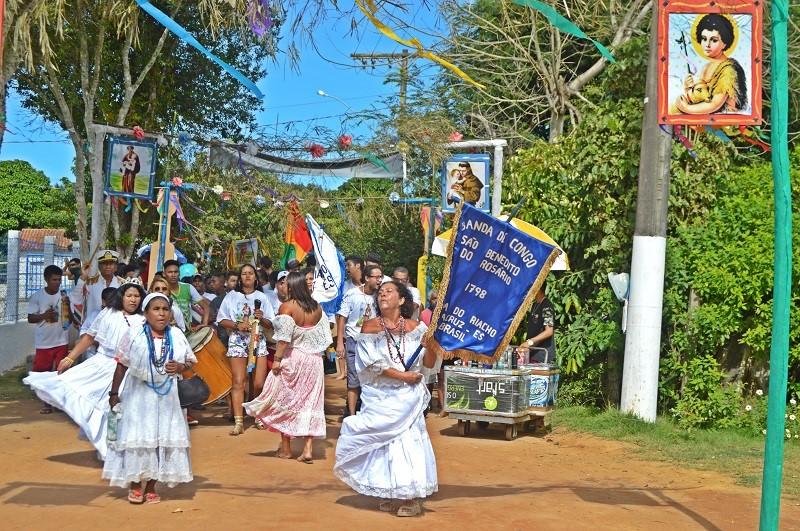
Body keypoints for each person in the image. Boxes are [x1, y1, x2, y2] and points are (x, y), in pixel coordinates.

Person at [333, 280, 438, 517]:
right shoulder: (369, 326)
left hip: (408, 398)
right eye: (380, 292)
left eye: (389, 292)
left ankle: (409, 497)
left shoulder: (417, 327)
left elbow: (429, 364)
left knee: (407, 443)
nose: (383, 295)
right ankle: (392, 492)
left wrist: (430, 345)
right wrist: (403, 375)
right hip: (380, 396)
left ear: (402, 300)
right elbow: (371, 364)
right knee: (384, 445)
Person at [24, 280, 146, 459]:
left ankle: (117, 446)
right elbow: (89, 337)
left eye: (137, 296)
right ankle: (108, 449)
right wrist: (70, 358)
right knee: (101, 406)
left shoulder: (144, 319)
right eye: (129, 296)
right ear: (122, 297)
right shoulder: (108, 313)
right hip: (102, 365)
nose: (133, 300)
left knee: (120, 409)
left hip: (128, 371)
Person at [102, 292, 195, 504]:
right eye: (156, 309)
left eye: (165, 309)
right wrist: (114, 394)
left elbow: (190, 364)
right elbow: (121, 364)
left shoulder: (177, 336)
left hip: (167, 398)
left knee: (160, 438)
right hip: (138, 397)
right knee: (138, 438)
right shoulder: (134, 334)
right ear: (145, 313)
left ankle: (152, 484)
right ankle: (135, 484)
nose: (161, 314)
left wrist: (180, 367)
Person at [244, 271, 332, 463]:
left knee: (285, 400)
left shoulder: (287, 307)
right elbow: (325, 334)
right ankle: (308, 448)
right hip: (315, 361)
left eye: (285, 284)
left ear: (292, 286)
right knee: (311, 403)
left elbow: (283, 340)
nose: (282, 287)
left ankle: (286, 448)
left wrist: (277, 360)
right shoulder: (316, 307)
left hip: (294, 358)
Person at [216, 264, 275, 435]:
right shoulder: (231, 297)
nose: (247, 276)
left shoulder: (262, 297)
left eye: (251, 273)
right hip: (238, 341)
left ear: (256, 278)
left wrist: (261, 318)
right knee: (238, 381)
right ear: (240, 278)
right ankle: (239, 421)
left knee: (259, 383)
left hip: (258, 340)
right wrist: (237, 325)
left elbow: (270, 323)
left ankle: (258, 415)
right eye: (244, 273)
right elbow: (221, 320)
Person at [673, 13, 747, 115]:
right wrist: (688, 87)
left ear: (725, 43)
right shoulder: (706, 67)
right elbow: (700, 96)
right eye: (704, 39)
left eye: (714, 40)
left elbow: (714, 104)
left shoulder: (729, 70)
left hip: (724, 121)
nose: (707, 44)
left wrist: (686, 108)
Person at [336, 265, 382, 413]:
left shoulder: (380, 296)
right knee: (353, 380)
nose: (379, 280)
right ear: (367, 278)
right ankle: (351, 414)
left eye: (381, 276)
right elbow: (342, 318)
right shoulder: (352, 295)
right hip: (354, 341)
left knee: (372, 379)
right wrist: (340, 343)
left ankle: (369, 412)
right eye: (376, 277)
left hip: (373, 343)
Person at [27, 265, 70, 414]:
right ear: (46, 279)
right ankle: (46, 403)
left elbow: (69, 313)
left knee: (62, 372)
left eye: (59, 279)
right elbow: (30, 318)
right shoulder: (37, 296)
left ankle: (60, 402)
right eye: (54, 280)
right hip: (44, 342)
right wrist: (44, 316)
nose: (57, 283)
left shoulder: (64, 295)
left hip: (62, 341)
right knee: (42, 373)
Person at [70, 250, 125, 335]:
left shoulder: (123, 285)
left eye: (111, 263)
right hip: (92, 330)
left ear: (116, 267)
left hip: (115, 331)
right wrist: (82, 278)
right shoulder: (90, 283)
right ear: (99, 266)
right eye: (104, 263)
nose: (108, 266)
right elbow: (75, 300)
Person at [163, 259, 209, 331]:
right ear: (164, 274)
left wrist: (204, 324)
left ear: (179, 273)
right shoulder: (161, 289)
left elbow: (206, 307)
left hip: (187, 331)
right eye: (170, 272)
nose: (173, 275)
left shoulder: (188, 287)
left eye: (176, 272)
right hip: (167, 330)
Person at [520, 281, 555, 364]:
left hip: (542, 356)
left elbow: (549, 331)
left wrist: (530, 342)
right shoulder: (535, 305)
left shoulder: (547, 306)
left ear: (538, 288)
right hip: (533, 353)